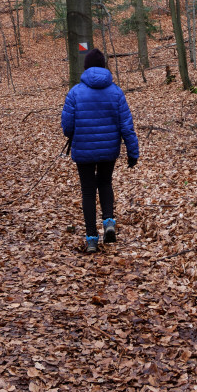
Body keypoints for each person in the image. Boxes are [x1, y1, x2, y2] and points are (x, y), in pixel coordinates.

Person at [61, 48, 139, 253]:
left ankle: (92, 239)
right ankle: (108, 222)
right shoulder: (116, 92)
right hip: (109, 149)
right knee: (105, 182)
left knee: (88, 192)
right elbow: (126, 125)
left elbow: (67, 126)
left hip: (84, 150)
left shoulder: (75, 92)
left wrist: (74, 134)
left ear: (85, 67)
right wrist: (133, 152)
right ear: (104, 66)